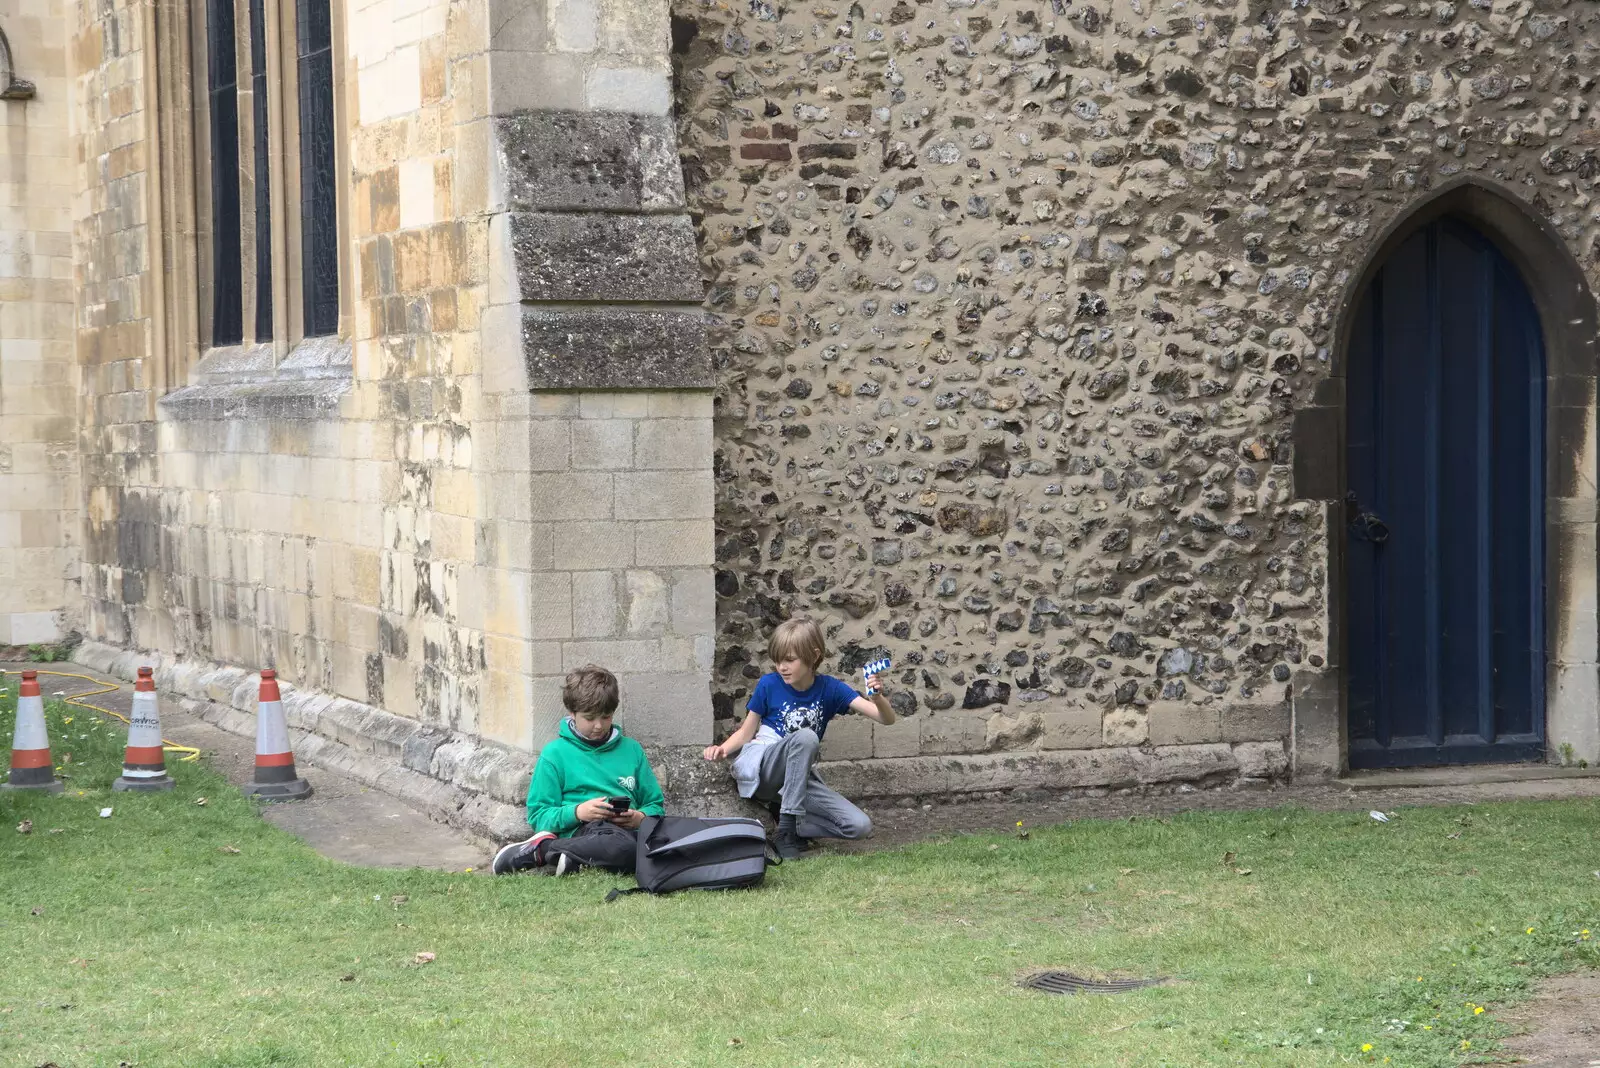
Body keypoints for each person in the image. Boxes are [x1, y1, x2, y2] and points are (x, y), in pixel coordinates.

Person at [702, 616, 895, 859]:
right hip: (765, 768)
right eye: (778, 660)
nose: (781, 666)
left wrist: (877, 698)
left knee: (859, 826)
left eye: (789, 660)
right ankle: (786, 832)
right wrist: (723, 749)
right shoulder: (769, 684)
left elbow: (885, 719)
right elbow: (746, 732)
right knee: (806, 737)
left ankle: (791, 826)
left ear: (813, 656)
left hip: (798, 779)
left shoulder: (831, 689)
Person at [491, 664, 665, 876]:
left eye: (606, 716)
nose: (599, 726)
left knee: (650, 848)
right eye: (590, 718)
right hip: (583, 831)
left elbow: (655, 805)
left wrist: (639, 817)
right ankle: (561, 852)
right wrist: (577, 812)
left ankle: (550, 852)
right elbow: (539, 815)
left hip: (627, 832)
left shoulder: (632, 750)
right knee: (630, 850)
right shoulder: (554, 754)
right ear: (572, 713)